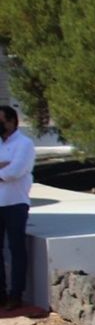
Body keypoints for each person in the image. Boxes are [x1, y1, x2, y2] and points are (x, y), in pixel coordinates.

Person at [0, 105, 36, 310]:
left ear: (12, 121)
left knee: (16, 249)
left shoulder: (25, 144)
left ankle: (16, 295)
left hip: (15, 203)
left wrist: (5, 168)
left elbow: (15, 171)